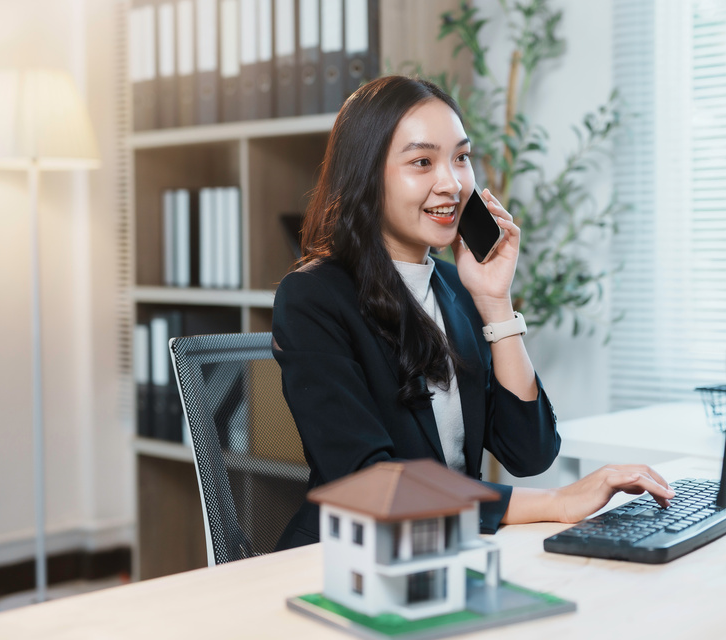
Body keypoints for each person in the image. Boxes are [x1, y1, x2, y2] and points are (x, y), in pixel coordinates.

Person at [271, 75, 674, 550]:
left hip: (452, 548)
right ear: (366, 174)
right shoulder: (313, 297)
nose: (451, 183)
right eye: (422, 162)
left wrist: (495, 303)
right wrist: (555, 502)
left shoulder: (455, 291)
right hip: (349, 560)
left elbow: (530, 451)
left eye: (460, 158)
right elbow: (373, 485)